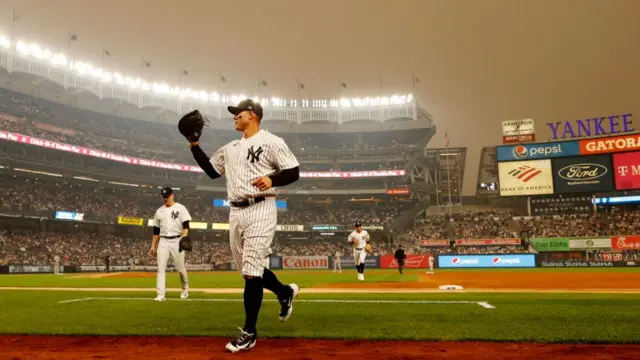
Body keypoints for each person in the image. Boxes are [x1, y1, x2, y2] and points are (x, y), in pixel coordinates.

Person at [188, 99, 300, 353]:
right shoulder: (230, 148)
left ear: (252, 114)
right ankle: (284, 292)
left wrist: (272, 177)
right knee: (252, 271)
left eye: (237, 113)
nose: (234, 117)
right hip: (235, 212)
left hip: (261, 207)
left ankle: (249, 332)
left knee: (251, 273)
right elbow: (212, 171)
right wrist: (194, 146)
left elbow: (293, 171)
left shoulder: (271, 141)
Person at [149, 187, 191, 302]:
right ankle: (160, 294)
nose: (165, 198)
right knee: (160, 269)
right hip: (163, 241)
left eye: (167, 196)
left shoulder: (180, 208)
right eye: (163, 196)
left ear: (172, 195)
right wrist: (153, 245)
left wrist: (184, 237)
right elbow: (156, 231)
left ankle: (185, 288)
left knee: (180, 268)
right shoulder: (159, 211)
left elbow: (186, 225)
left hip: (178, 240)